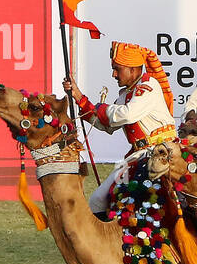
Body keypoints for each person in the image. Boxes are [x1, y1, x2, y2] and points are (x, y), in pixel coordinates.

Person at [65, 42, 177, 215]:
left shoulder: (148, 85)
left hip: (162, 153)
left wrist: (100, 108)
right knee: (98, 200)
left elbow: (127, 114)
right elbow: (107, 124)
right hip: (139, 155)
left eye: (117, 69)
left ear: (133, 69)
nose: (114, 74)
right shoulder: (126, 94)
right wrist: (79, 97)